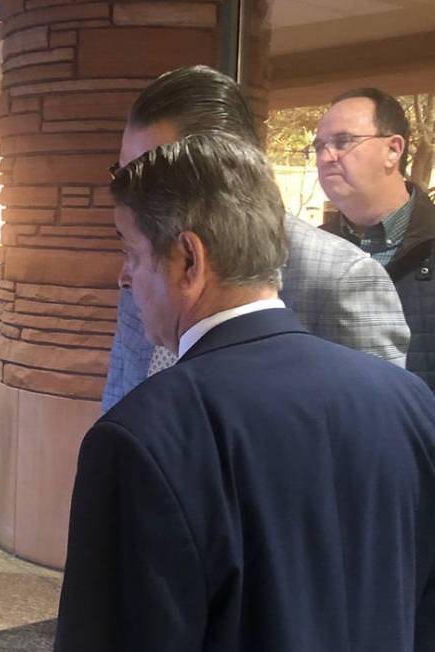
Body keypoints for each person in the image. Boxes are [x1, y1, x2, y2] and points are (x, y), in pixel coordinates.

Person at [56, 132, 435, 651]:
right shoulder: (411, 402)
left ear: (189, 258)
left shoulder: (142, 436)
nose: (123, 276)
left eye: (132, 252)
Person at [101, 66, 410, 411]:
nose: (135, 194)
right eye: (127, 173)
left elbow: (372, 439)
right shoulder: (143, 268)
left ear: (231, 163)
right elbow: (122, 394)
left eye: (157, 172)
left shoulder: (342, 280)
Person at [315, 88, 435, 390]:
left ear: (393, 150)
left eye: (343, 141)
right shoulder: (305, 255)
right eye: (319, 146)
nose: (326, 157)